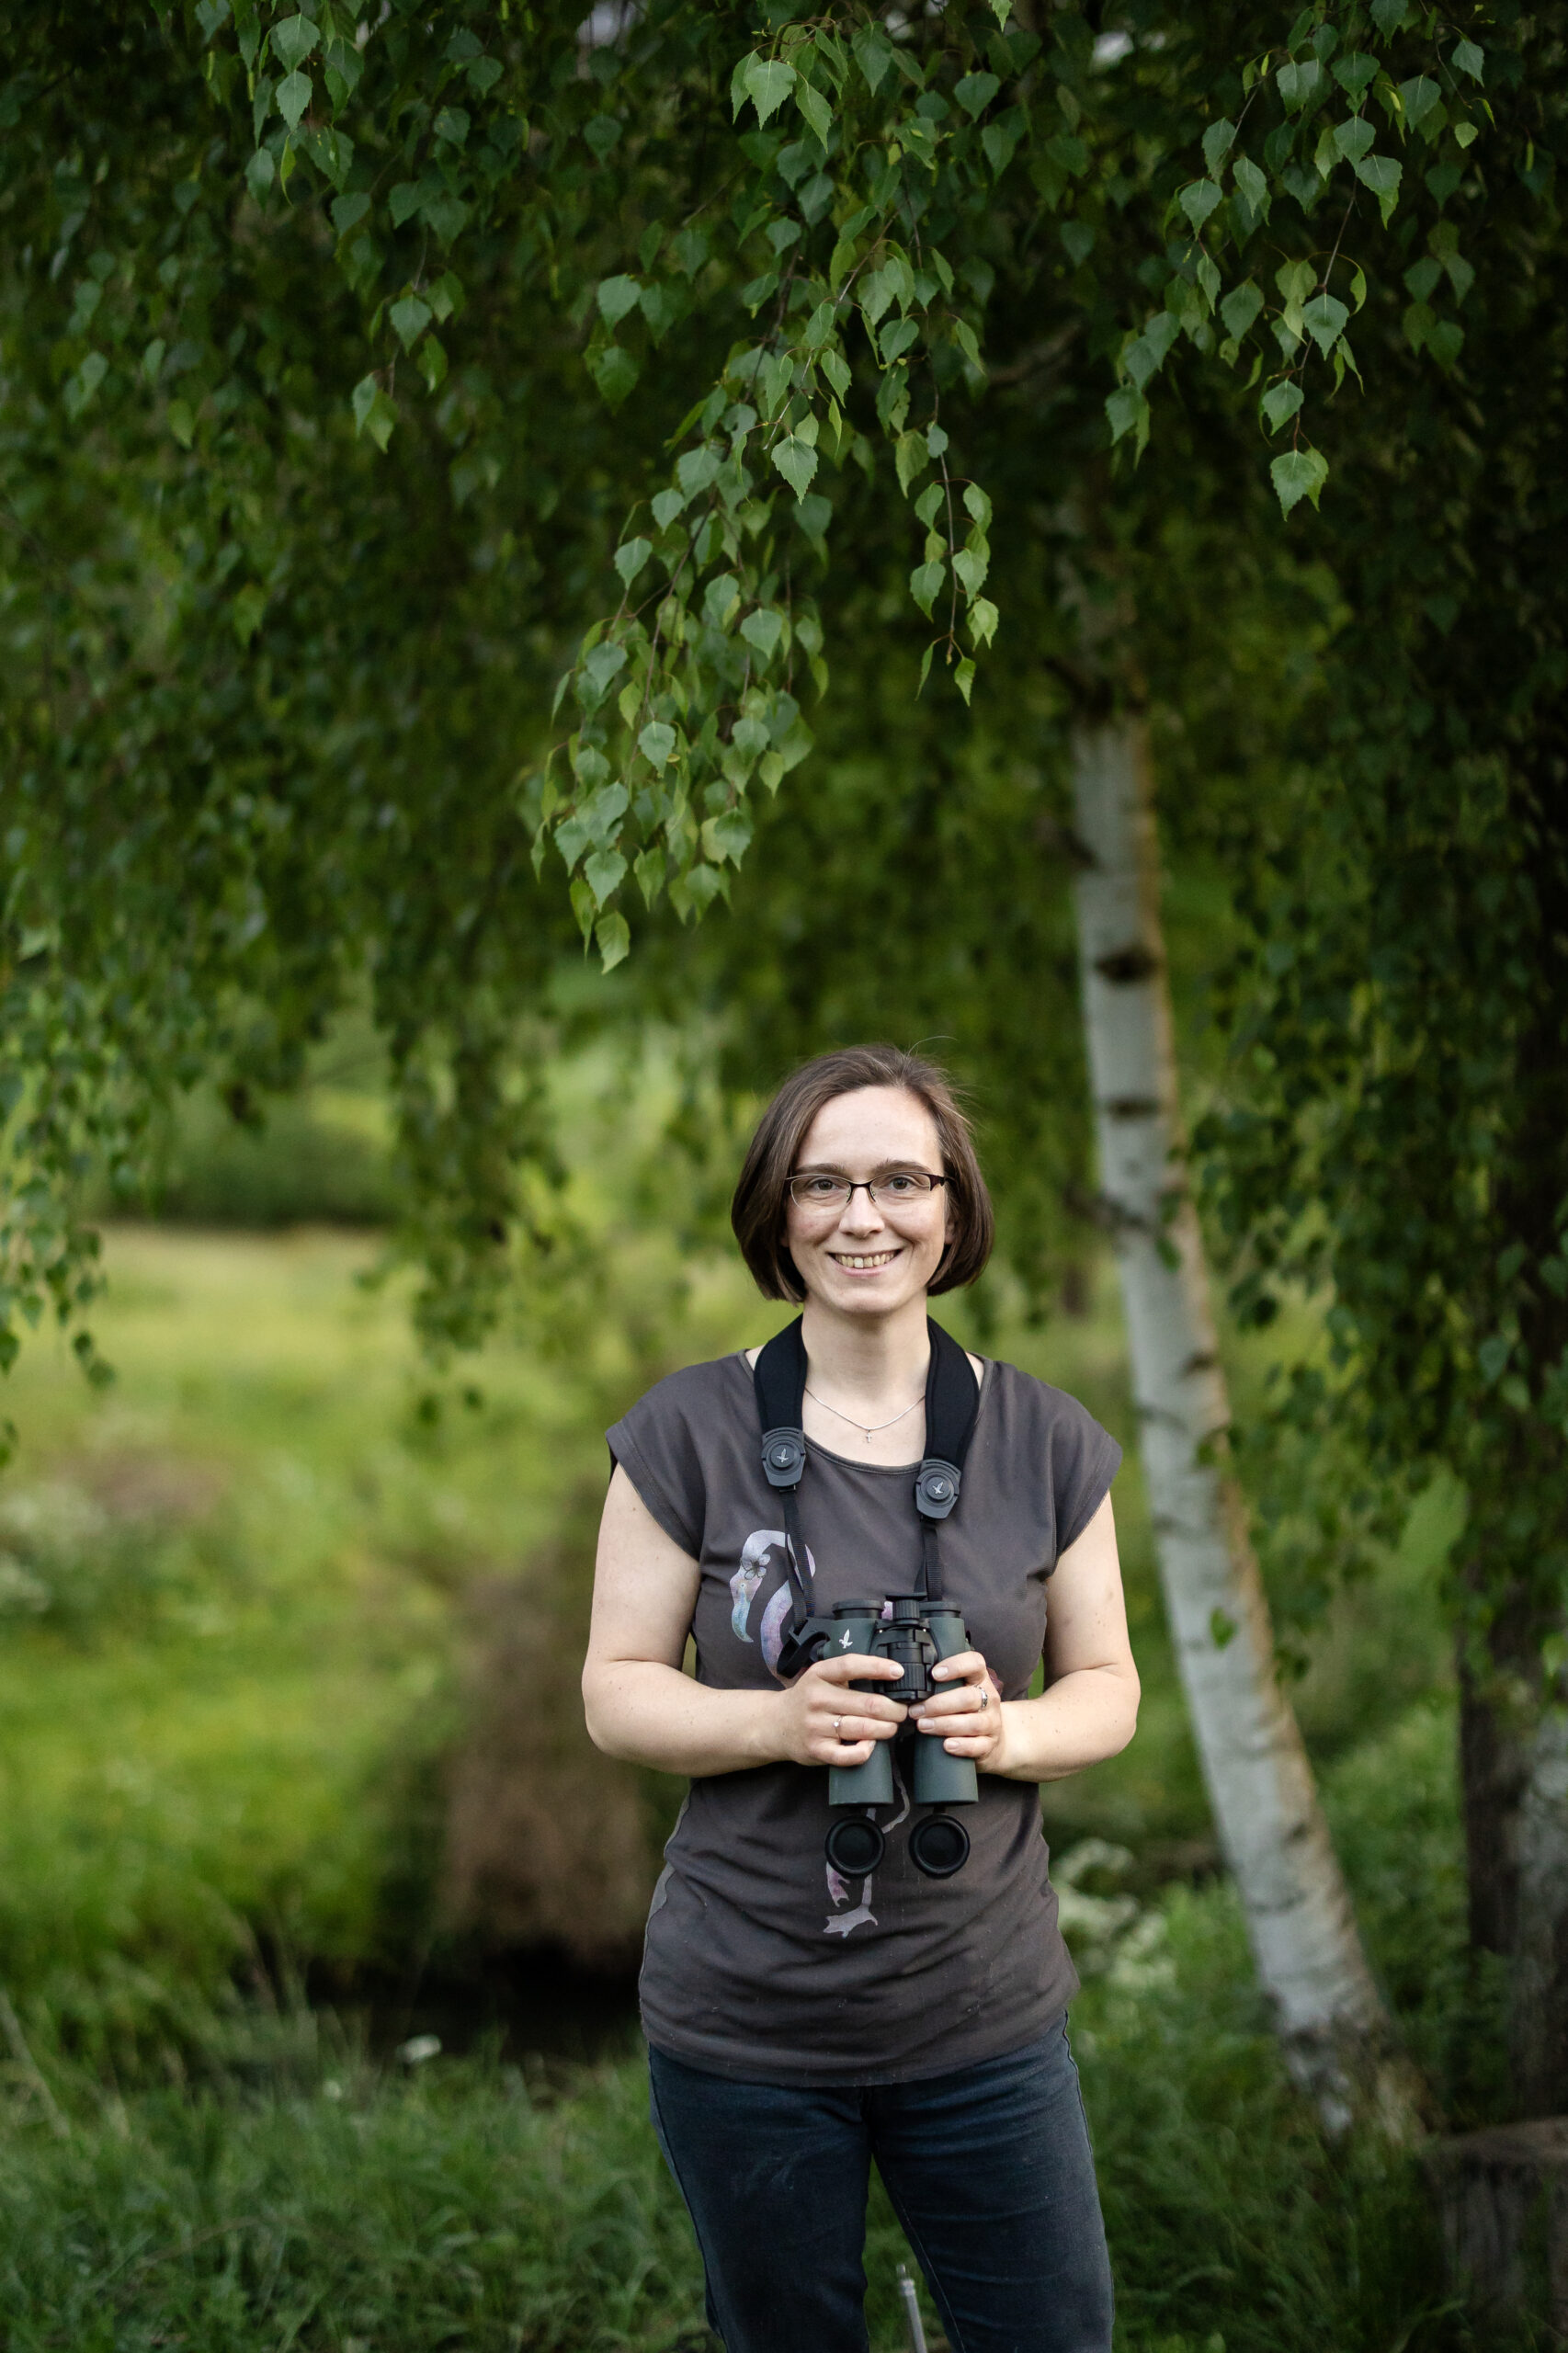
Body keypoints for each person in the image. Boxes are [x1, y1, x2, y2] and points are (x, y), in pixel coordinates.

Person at [582, 1045, 1140, 2353]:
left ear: (952, 1208)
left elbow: (1107, 1686)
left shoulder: (1048, 1441)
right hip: (744, 2021)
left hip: (984, 2013)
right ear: (777, 1214)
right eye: (820, 1184)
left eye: (899, 1180)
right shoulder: (686, 1432)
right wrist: (774, 1723)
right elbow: (614, 1692)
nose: (860, 1216)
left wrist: (1005, 1733)